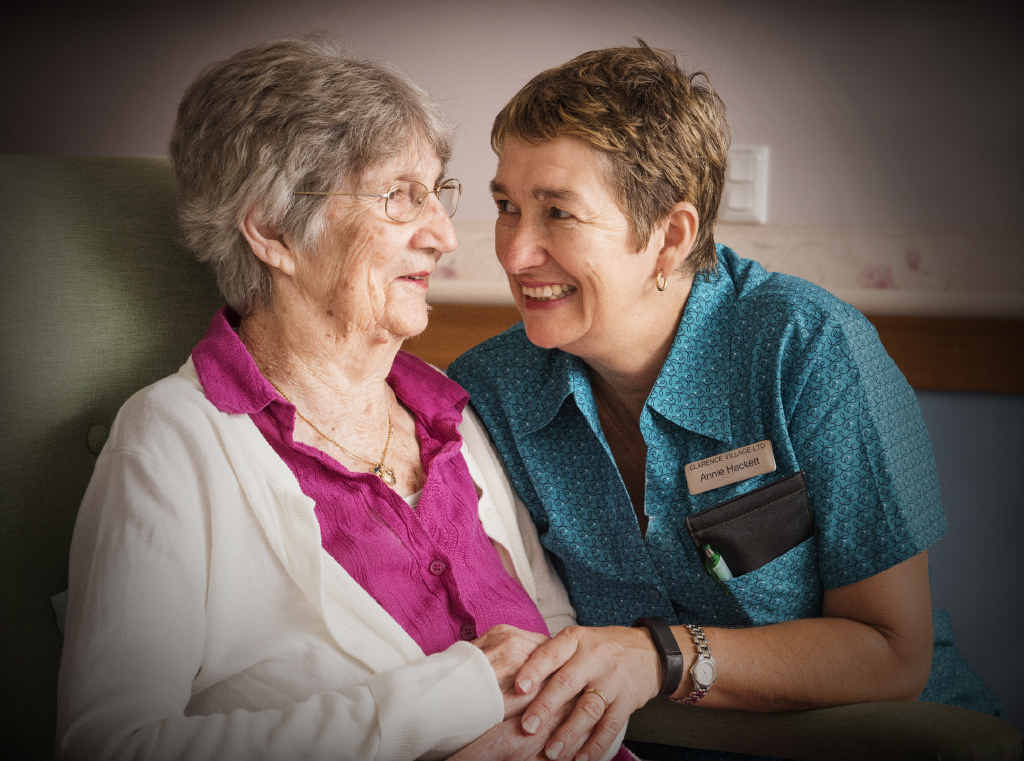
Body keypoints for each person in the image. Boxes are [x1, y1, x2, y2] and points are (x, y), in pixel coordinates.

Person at [56, 38, 633, 761]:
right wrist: (451, 700)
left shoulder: (451, 413)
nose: (444, 235)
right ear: (271, 229)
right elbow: (109, 746)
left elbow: (546, 639)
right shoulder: (174, 440)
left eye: (437, 192)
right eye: (399, 195)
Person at [447, 41, 999, 761]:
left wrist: (661, 656)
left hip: (883, 739)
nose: (515, 253)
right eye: (505, 206)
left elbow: (893, 653)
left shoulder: (810, 348)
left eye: (558, 213)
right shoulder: (485, 389)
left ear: (669, 237)